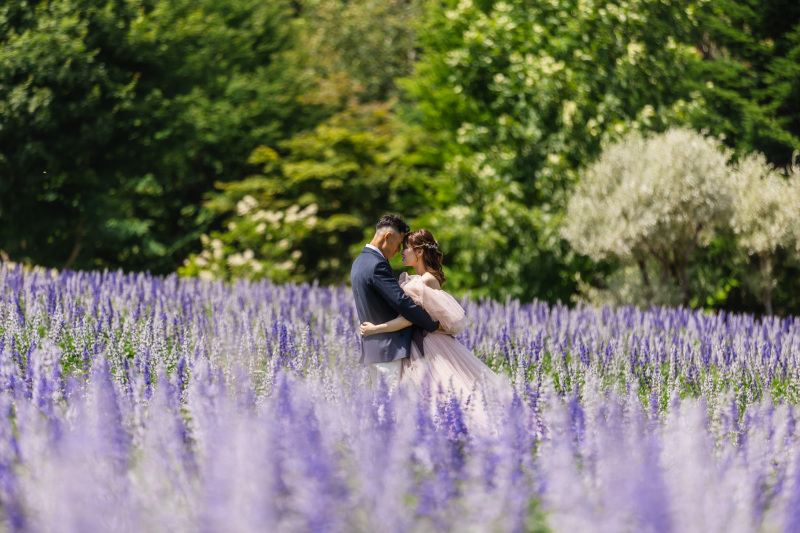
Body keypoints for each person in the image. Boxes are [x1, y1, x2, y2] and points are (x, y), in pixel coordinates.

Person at [359, 229, 504, 426]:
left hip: (428, 344)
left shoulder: (425, 280)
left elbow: (408, 319)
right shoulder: (421, 279)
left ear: (419, 252)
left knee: (439, 392)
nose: (402, 252)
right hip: (424, 341)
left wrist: (375, 329)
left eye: (406, 248)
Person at [350, 215, 440, 389]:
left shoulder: (359, 262)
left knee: (382, 409)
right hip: (390, 351)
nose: (399, 250)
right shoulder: (377, 264)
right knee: (394, 410)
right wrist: (433, 325)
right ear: (387, 237)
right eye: (399, 244)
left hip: (374, 350)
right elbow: (402, 303)